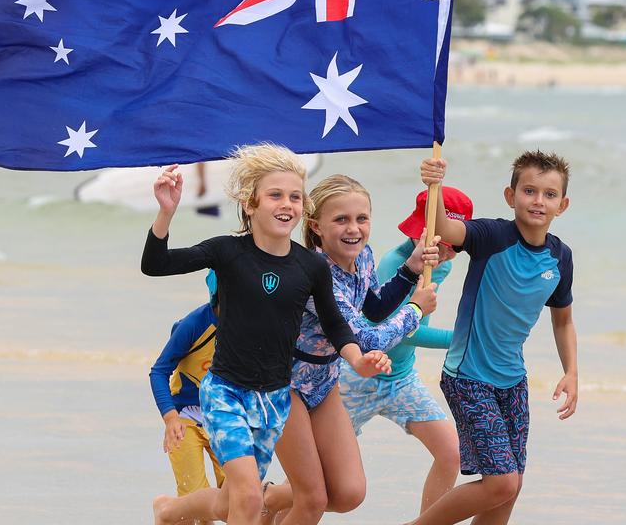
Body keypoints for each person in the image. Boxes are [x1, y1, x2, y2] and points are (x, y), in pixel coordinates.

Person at [139, 145, 392, 525]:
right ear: (250, 203)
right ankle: (176, 509)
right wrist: (166, 212)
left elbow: (336, 324)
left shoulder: (310, 266)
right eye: (275, 194)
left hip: (273, 399)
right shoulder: (227, 251)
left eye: (294, 195)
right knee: (245, 495)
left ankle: (170, 509)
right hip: (226, 391)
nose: (286, 203)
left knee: (237, 503)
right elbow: (155, 265)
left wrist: (359, 359)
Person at [259, 175, 441, 525]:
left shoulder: (364, 256)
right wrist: (416, 309)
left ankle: (267, 499)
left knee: (348, 494)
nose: (353, 229)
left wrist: (410, 269)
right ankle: (270, 503)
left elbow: (371, 308)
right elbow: (363, 339)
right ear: (316, 225)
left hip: (324, 380)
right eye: (341, 219)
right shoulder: (313, 272)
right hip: (282, 383)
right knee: (313, 499)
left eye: (362, 218)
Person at [408, 151, 578, 525]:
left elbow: (562, 320)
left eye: (549, 195)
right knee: (501, 482)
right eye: (529, 190)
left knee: (507, 491)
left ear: (562, 205)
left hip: (513, 381)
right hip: (468, 377)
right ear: (510, 195)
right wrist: (434, 185)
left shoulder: (560, 257)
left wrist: (571, 372)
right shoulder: (492, 236)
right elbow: (448, 231)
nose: (538, 201)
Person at [338, 187, 474, 517]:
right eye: (440, 243)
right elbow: (393, 335)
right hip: (358, 379)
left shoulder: (441, 266)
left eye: (454, 246)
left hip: (401, 380)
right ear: (419, 232)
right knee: (325, 480)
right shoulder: (392, 264)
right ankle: (271, 499)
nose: (446, 254)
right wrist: (463, 339)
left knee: (451, 454)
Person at [149, 297, 223, 510]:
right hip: (185, 418)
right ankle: (166, 510)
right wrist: (170, 418)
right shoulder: (193, 325)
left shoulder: (246, 322)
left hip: (224, 417)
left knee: (241, 494)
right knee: (195, 502)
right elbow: (159, 371)